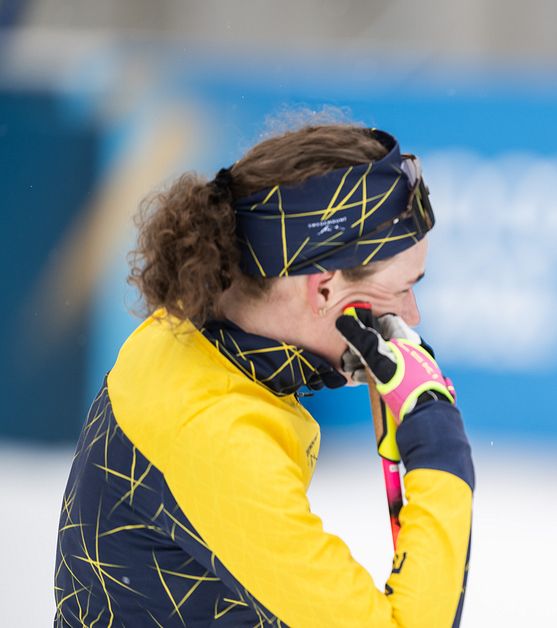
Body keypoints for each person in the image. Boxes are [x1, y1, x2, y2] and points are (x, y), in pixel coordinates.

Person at [54, 124, 474, 627]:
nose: (412, 315)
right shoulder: (219, 437)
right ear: (324, 290)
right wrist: (442, 456)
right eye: (402, 288)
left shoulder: (184, 335)